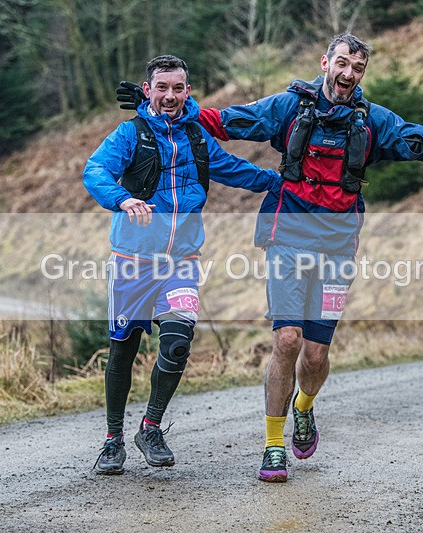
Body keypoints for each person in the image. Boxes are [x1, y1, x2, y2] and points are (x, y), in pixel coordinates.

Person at [116, 32, 423, 482]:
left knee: (314, 356)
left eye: (358, 68)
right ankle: (274, 446)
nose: (349, 74)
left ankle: (304, 407)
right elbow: (222, 121)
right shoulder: (289, 108)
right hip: (287, 237)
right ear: (325, 62)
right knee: (287, 341)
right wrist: (155, 105)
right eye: (343, 63)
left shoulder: (376, 121)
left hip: (337, 246)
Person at [84, 55, 281, 475]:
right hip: (132, 261)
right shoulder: (129, 134)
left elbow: (233, 169)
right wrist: (122, 198)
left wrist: (283, 182)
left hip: (182, 260)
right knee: (124, 349)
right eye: (162, 88)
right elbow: (95, 170)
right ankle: (112, 440)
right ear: (148, 89)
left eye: (178, 88)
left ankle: (150, 427)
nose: (170, 95)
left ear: (188, 91)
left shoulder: (196, 137)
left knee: (176, 343)